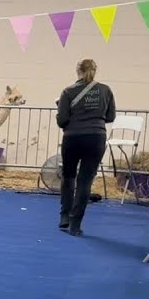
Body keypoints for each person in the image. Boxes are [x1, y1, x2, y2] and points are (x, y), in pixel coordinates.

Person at [56, 58, 116, 236]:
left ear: (78, 71)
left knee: (68, 177)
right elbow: (110, 116)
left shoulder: (68, 91)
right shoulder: (106, 90)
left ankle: (64, 215)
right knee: (85, 181)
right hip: (96, 138)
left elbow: (62, 121)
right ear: (95, 71)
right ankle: (76, 224)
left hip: (72, 137)